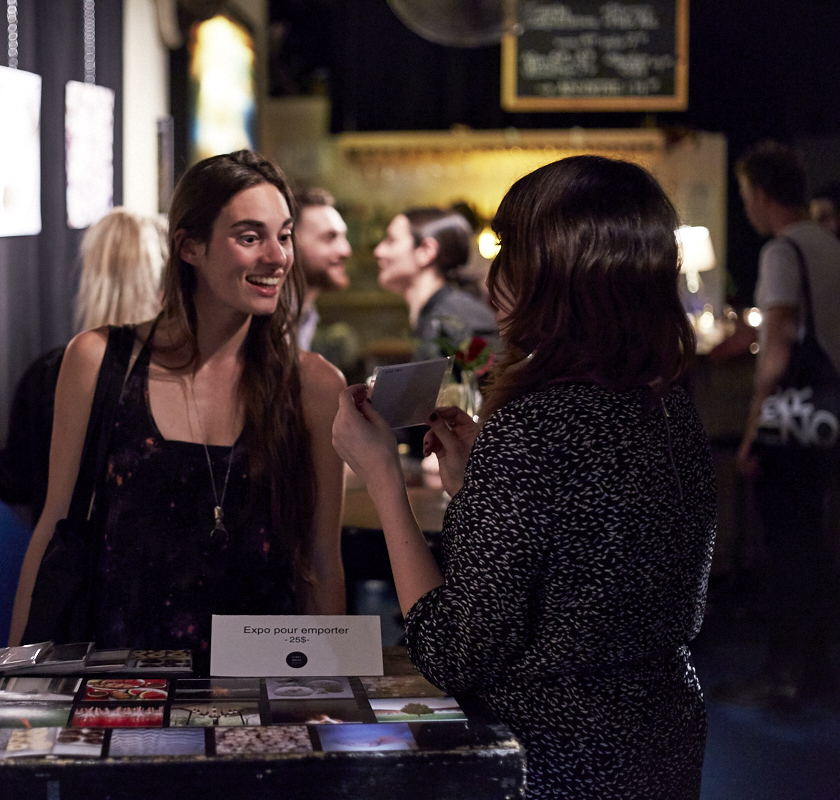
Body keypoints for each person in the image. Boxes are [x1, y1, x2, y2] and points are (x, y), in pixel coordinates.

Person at [332, 156, 716, 798]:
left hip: (553, 755)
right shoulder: (666, 402)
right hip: (660, 736)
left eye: (509, 248)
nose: (492, 275)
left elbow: (452, 648)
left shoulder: (537, 424)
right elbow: (583, 564)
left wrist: (380, 476)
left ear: (554, 273)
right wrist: (478, 484)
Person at [9, 150, 347, 653]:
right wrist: (17, 673)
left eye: (284, 235)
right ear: (190, 247)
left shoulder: (314, 385)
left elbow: (320, 560)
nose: (277, 257)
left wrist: (326, 688)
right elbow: (53, 530)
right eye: (250, 237)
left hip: (261, 686)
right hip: (119, 683)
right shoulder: (100, 361)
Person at [721, 141, 840, 707]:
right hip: (830, 418)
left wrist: (752, 430)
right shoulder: (829, 244)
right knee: (815, 544)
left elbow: (777, 350)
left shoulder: (781, 252)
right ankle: (815, 667)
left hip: (794, 424)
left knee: (787, 545)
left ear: (761, 194)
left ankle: (784, 673)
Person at [0, 208, 166, 527]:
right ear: (158, 280)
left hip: (66, 565)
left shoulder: (46, 374)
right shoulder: (174, 378)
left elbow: (12, 483)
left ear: (91, 276)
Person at [373, 207, 498, 359]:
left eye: (390, 240)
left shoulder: (457, 319)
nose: (378, 251)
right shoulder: (441, 315)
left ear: (426, 251)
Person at [293, 187, 351, 351]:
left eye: (343, 237)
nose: (346, 251)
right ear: (289, 243)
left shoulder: (307, 315)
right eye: (329, 237)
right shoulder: (260, 322)